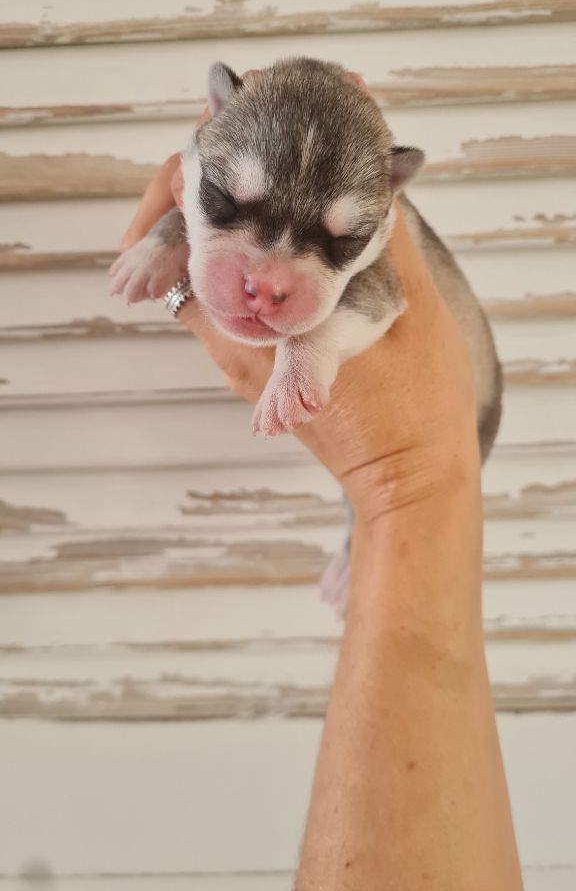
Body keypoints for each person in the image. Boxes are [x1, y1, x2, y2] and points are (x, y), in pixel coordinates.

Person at [119, 84, 524, 890]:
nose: (268, 279)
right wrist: (171, 238)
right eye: (228, 204)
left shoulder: (375, 241)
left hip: (468, 414)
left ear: (390, 193)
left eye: (336, 242)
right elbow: (187, 188)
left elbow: (382, 298)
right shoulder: (224, 154)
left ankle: (353, 540)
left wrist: (307, 355)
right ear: (214, 113)